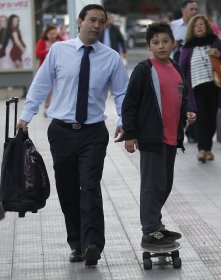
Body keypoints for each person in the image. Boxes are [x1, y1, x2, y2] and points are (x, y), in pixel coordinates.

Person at [16, 4, 129, 267]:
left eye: (101, 21)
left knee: (89, 187)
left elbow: (122, 93)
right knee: (67, 190)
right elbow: (41, 84)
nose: (96, 25)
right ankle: (76, 243)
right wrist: (26, 115)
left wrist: (125, 121)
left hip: (93, 133)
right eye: (92, 20)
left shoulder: (111, 58)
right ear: (79, 22)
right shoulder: (59, 51)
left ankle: (93, 245)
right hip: (62, 132)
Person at [121, 21, 196, 250]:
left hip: (172, 137)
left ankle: (156, 224)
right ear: (149, 47)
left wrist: (188, 112)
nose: (161, 46)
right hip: (152, 137)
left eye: (165, 41)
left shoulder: (175, 68)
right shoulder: (144, 70)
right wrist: (130, 135)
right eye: (155, 42)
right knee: (152, 185)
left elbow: (181, 98)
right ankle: (149, 230)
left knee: (165, 184)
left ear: (173, 44)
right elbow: (130, 104)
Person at [179, 14, 221, 162]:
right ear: (192, 29)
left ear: (206, 26)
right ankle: (202, 150)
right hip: (196, 89)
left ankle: (208, 149)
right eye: (196, 25)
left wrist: (219, 53)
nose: (199, 27)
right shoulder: (188, 46)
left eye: (202, 24)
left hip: (214, 86)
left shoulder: (215, 42)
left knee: (212, 119)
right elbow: (181, 69)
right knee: (201, 118)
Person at [170, 0, 198, 143]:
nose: (194, 12)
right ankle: (178, 129)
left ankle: (192, 131)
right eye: (191, 9)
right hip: (175, 67)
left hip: (194, 70)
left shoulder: (199, 26)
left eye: (196, 9)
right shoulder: (173, 26)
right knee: (177, 98)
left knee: (193, 99)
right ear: (183, 10)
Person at [35, 24, 63, 116]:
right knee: (49, 89)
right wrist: (50, 51)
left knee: (60, 88)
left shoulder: (61, 41)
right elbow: (38, 54)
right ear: (46, 34)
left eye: (54, 33)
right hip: (46, 69)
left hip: (60, 69)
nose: (53, 36)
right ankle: (47, 107)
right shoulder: (42, 41)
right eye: (51, 34)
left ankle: (58, 107)